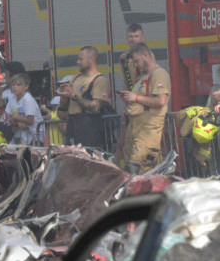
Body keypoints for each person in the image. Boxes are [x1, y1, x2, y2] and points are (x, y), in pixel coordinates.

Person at [119, 42, 171, 174]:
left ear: (146, 55)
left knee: (135, 168)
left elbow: (161, 100)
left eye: (137, 61)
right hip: (135, 129)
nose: (135, 65)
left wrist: (135, 98)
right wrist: (128, 100)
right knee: (131, 170)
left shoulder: (159, 74)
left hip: (148, 130)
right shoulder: (141, 78)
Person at [59, 46, 112, 150]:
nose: (77, 62)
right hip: (73, 127)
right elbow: (61, 112)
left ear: (91, 59)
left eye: (81, 59)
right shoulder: (76, 78)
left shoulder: (99, 80)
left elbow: (95, 107)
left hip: (89, 130)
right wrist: (63, 97)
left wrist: (74, 96)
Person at [2, 72, 42, 146]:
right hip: (20, 135)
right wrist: (14, 122)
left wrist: (17, 118)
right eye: (13, 85)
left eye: (18, 85)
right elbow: (8, 115)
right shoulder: (12, 98)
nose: (15, 87)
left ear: (26, 87)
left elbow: (30, 120)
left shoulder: (28, 99)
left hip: (35, 136)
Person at [119, 23, 144, 91]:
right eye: (131, 36)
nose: (133, 39)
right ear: (127, 38)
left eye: (136, 36)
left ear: (142, 38)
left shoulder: (147, 56)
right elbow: (126, 81)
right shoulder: (124, 58)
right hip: (132, 97)